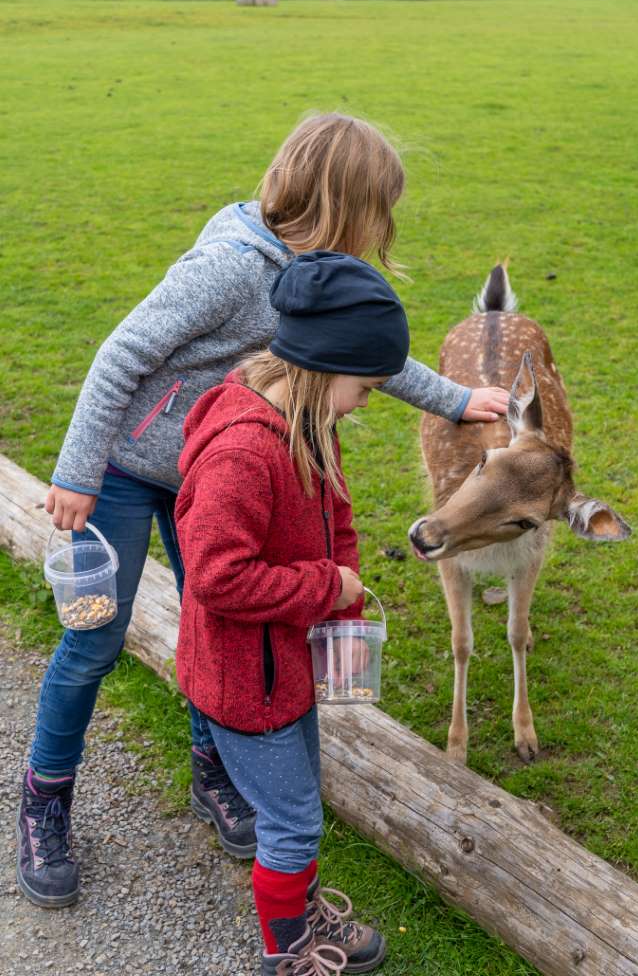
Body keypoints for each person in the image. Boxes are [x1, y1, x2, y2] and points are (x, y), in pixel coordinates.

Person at [17, 112, 509, 910]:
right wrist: (76, 474)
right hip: (122, 469)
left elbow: (363, 354)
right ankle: (46, 798)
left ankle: (216, 770)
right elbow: (119, 356)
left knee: (223, 623)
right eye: (381, 209)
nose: (386, 227)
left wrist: (454, 398)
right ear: (345, 204)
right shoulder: (229, 269)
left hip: (207, 470)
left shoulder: (313, 273)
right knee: (94, 639)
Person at [175, 251, 411, 975]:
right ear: (322, 365)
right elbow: (217, 576)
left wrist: (344, 585)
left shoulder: (305, 420)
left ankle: (299, 912)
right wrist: (323, 587)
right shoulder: (245, 453)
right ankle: (289, 952)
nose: (366, 403)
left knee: (296, 804)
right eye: (365, 388)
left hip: (286, 668)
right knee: (292, 823)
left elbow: (333, 509)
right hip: (249, 684)